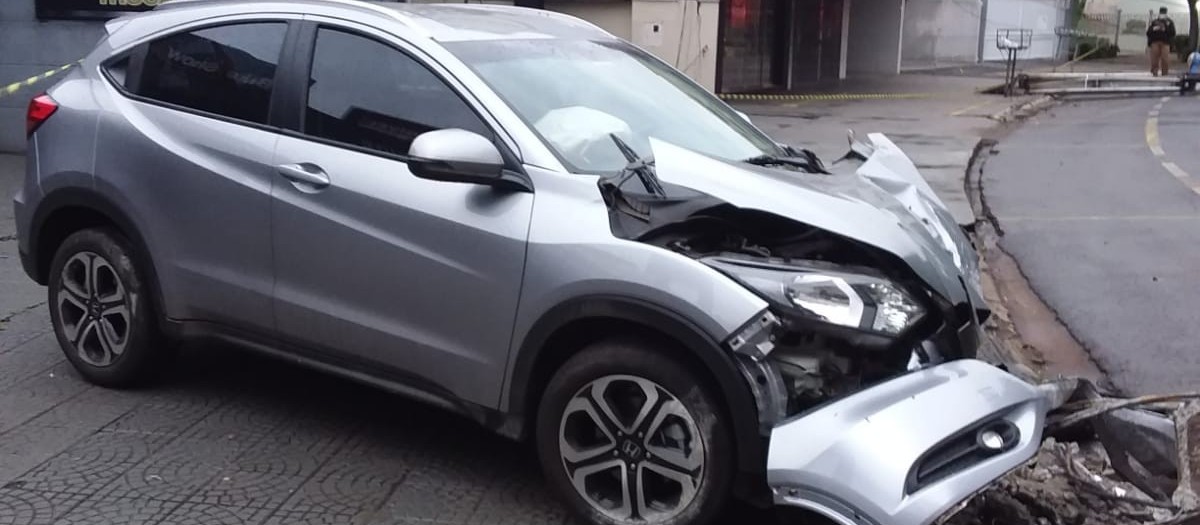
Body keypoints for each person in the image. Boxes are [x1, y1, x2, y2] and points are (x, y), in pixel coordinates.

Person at [1147, 7, 1177, 76]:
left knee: (1165, 59)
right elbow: (1148, 32)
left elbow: (1173, 32)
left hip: (1165, 43)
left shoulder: (1169, 22)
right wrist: (1154, 28)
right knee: (1154, 58)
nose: (1162, 15)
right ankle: (1154, 72)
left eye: (1164, 13)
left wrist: (1164, 29)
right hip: (1155, 42)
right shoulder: (1154, 22)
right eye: (1161, 13)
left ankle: (1165, 73)